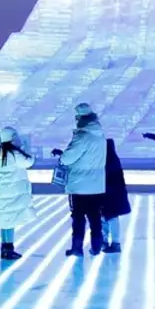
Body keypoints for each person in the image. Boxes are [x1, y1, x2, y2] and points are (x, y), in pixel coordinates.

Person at [60, 105, 109, 255]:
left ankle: (77, 248)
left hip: (80, 185)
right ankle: (96, 246)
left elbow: (68, 158)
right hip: (96, 185)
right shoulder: (100, 136)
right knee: (95, 218)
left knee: (78, 218)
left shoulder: (82, 136)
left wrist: (62, 156)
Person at [0, 127, 34, 261]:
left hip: (2, 191)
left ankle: (4, 249)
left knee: (4, 221)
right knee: (10, 220)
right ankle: (9, 250)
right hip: (13, 191)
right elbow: (28, 162)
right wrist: (27, 147)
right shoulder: (13, 152)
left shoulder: (0, 151)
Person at [101, 137, 130, 252]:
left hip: (106, 194)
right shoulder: (114, 160)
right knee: (109, 217)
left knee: (106, 218)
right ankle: (113, 242)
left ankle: (110, 242)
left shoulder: (104, 160)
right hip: (113, 195)